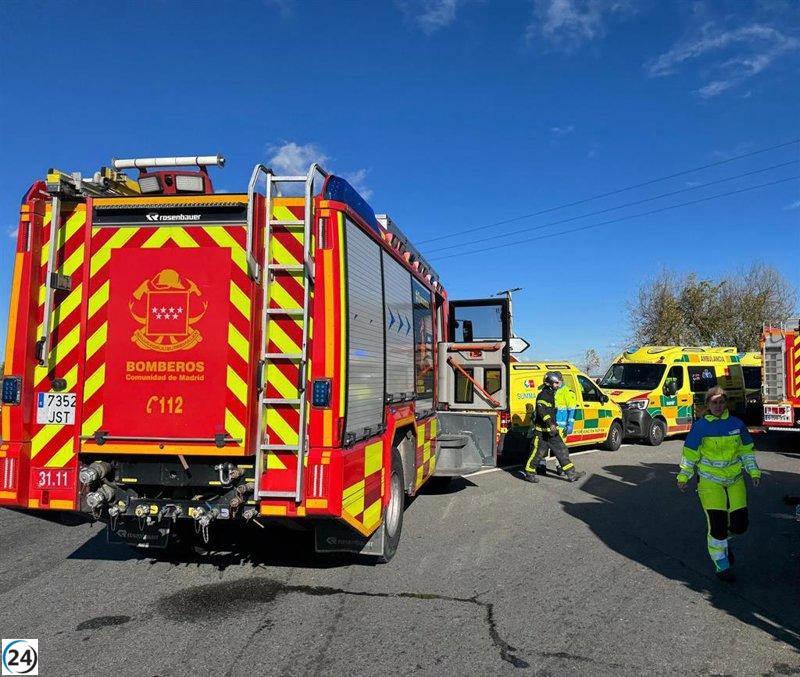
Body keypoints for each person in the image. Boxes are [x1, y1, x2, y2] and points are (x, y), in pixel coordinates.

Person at [677, 385, 761, 581]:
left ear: (726, 403)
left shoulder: (737, 424)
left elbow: (746, 451)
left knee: (740, 526)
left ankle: (725, 539)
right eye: (713, 402)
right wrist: (684, 476)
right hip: (709, 482)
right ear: (707, 404)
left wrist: (754, 471)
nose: (718, 405)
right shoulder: (700, 427)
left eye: (721, 401)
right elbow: (690, 455)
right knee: (717, 526)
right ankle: (721, 562)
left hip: (735, 480)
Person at [523, 371, 586, 483]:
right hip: (542, 432)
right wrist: (550, 423)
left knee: (562, 450)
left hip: (552, 432)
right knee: (537, 453)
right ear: (549, 383)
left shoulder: (551, 393)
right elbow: (542, 411)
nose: (558, 385)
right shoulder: (543, 395)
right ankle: (529, 473)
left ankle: (571, 474)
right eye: (556, 383)